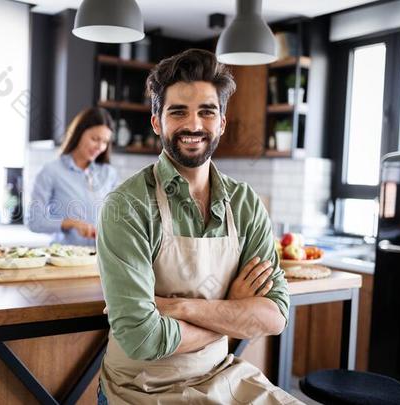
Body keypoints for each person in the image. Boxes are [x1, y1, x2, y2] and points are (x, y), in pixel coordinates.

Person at [96, 49, 302, 404]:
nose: (194, 125)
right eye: (178, 112)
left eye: (207, 112)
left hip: (223, 375)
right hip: (141, 389)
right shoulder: (126, 206)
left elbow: (274, 316)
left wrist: (179, 307)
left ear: (222, 122)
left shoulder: (245, 203)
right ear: (157, 122)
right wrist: (233, 310)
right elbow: (141, 338)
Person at [28, 107, 119, 246]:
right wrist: (71, 223)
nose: (100, 147)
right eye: (95, 139)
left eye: (105, 142)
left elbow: (119, 217)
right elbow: (34, 221)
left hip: (100, 259)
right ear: (79, 133)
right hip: (64, 259)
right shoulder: (51, 171)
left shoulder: (109, 174)